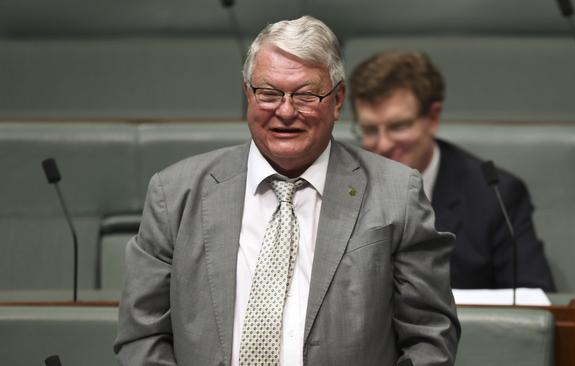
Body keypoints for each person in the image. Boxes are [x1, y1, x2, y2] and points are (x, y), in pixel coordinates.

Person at [114, 17, 460, 366]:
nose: (285, 111)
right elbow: (143, 336)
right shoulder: (174, 194)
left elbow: (429, 338)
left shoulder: (397, 194)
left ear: (338, 100)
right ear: (248, 94)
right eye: (269, 93)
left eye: (306, 95)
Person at [349, 51, 556, 291]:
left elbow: (531, 302)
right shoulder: (342, 186)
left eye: (398, 126)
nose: (383, 144)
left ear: (433, 118)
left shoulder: (495, 197)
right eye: (370, 130)